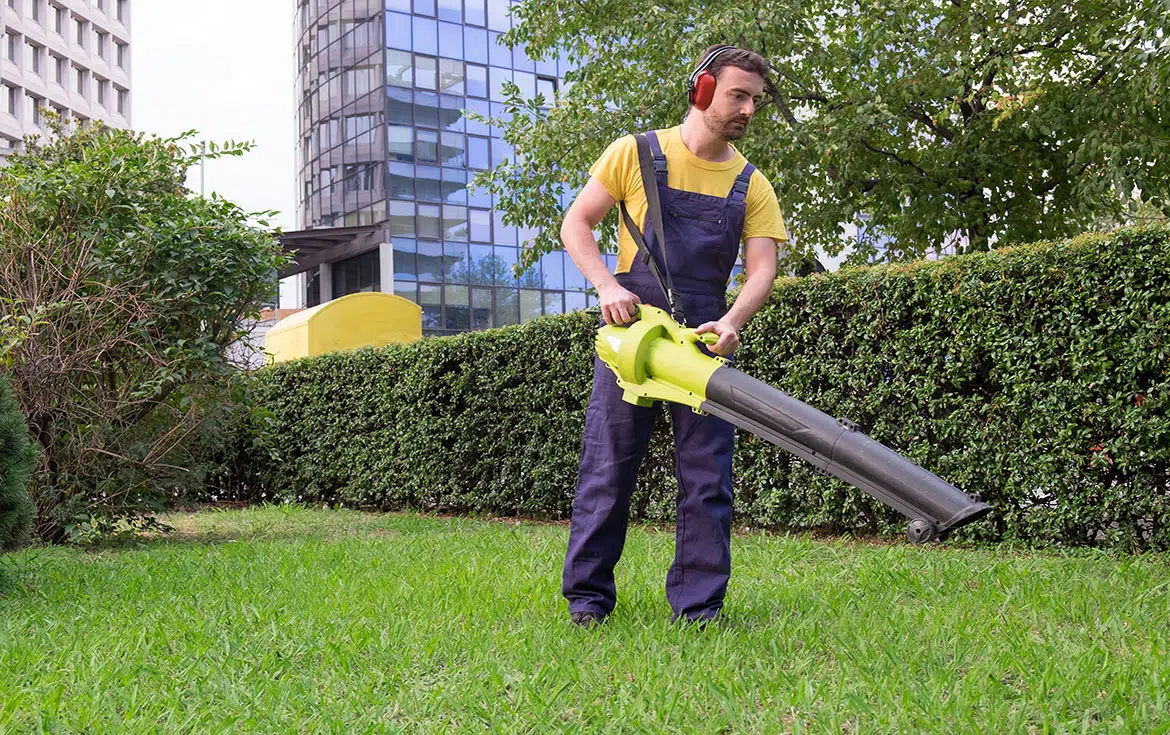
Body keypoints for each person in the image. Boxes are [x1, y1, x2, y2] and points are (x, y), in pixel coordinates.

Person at [560, 44, 789, 627]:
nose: (747, 110)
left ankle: (699, 609)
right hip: (631, 335)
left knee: (707, 477)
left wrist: (733, 321)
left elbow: (761, 267)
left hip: (704, 339)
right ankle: (587, 602)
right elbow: (576, 223)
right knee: (607, 468)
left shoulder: (750, 183)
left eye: (755, 100)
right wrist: (606, 286)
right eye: (737, 95)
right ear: (703, 90)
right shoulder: (634, 153)